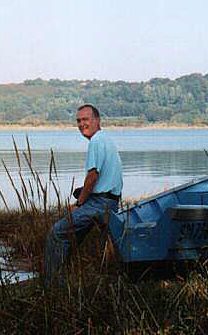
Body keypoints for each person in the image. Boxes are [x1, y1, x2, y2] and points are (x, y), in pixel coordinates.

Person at [44, 104, 123, 287]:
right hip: (110, 202)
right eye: (78, 121)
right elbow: (105, 177)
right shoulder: (106, 139)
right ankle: (66, 276)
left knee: (56, 234)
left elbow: (93, 175)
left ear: (97, 120)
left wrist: (80, 204)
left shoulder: (96, 141)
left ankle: (53, 286)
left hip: (99, 204)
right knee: (74, 237)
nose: (81, 124)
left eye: (85, 120)